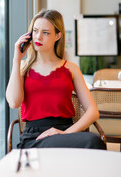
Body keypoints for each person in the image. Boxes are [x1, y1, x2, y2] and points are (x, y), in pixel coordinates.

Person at [6, 9, 106, 150]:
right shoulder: (22, 67)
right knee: (92, 143)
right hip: (34, 137)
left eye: (45, 32)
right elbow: (14, 102)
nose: (38, 37)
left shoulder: (71, 68)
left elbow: (93, 111)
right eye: (35, 31)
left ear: (58, 35)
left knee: (94, 141)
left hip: (66, 133)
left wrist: (65, 133)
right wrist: (16, 59)